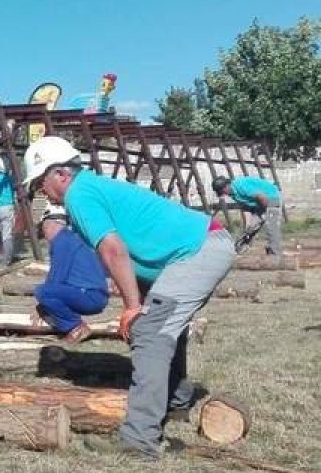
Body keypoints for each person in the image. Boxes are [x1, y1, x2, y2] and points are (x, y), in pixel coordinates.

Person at [24, 136, 235, 458]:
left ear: (60, 174)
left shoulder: (79, 195)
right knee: (165, 326)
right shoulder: (90, 188)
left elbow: (113, 249)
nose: (41, 191)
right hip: (195, 247)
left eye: (40, 182)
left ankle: (139, 441)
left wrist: (133, 307)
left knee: (149, 331)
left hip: (196, 251)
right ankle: (176, 400)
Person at [31, 205, 108, 343]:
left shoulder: (62, 241)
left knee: (42, 291)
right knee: (46, 292)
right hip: (93, 294)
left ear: (51, 225)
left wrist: (43, 305)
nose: (44, 233)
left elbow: (56, 278)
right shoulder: (70, 238)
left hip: (90, 296)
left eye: (43, 228)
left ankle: (76, 327)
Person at [212, 176, 283, 257]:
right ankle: (239, 250)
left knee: (271, 226)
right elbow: (245, 207)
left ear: (227, 186)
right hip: (258, 203)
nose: (223, 194)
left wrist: (265, 212)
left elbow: (261, 196)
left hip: (271, 197)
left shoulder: (241, 187)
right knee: (250, 228)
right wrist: (248, 224)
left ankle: (274, 254)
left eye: (222, 191)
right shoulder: (233, 194)